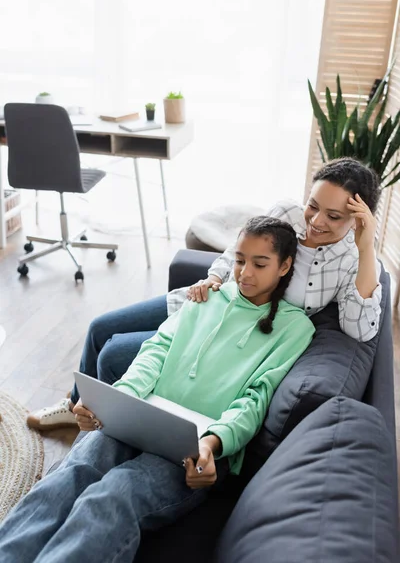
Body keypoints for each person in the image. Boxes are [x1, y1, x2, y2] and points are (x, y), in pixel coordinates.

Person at [0, 216, 315, 563]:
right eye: (240, 260)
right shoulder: (206, 296)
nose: (245, 273)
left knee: (113, 496)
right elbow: (156, 349)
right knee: (69, 476)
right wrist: (118, 401)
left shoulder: (294, 327)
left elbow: (256, 398)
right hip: (142, 417)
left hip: (198, 447)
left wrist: (212, 443)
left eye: (260, 263)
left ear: (284, 266)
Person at [27, 157, 382, 431]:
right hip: (214, 300)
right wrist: (213, 279)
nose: (316, 221)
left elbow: (361, 330)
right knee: (100, 327)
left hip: (238, 334)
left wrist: (367, 248)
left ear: (358, 218)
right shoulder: (287, 211)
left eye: (334, 216)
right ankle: (75, 406)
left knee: (115, 352)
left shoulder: (354, 260)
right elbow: (236, 251)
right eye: (313, 205)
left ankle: (100, 420)